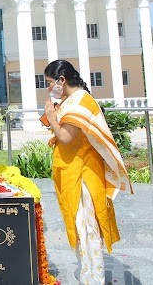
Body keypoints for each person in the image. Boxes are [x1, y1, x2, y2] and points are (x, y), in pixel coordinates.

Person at [42, 59, 132, 285]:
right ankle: (87, 273)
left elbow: (65, 136)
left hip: (83, 174)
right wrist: (53, 117)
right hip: (73, 171)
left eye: (50, 82)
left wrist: (53, 119)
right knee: (80, 225)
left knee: (88, 228)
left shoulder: (81, 101)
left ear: (62, 80)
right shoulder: (70, 99)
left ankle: (95, 277)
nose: (48, 87)